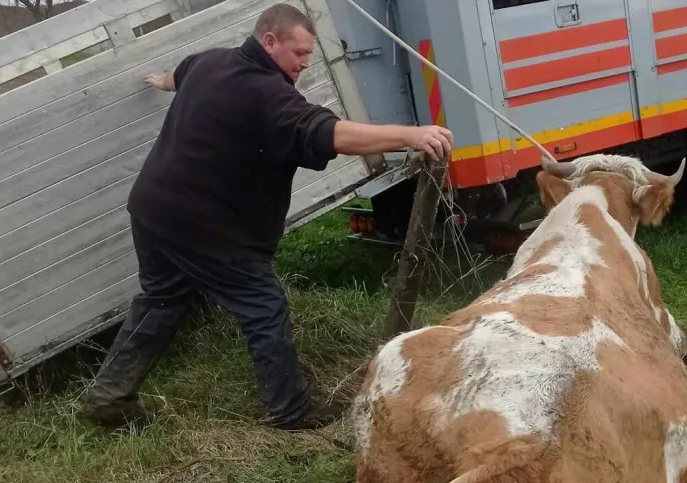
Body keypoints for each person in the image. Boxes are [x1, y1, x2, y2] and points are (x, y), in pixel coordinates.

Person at [82, 3, 453, 431]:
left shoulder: (210, 62)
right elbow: (328, 132)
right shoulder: (268, 95)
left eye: (309, 55)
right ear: (269, 41)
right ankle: (291, 411)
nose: (304, 64)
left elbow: (176, 76)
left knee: (161, 300)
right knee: (264, 307)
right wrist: (410, 135)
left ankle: (110, 396)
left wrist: (158, 81)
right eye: (298, 53)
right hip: (207, 228)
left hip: (152, 210)